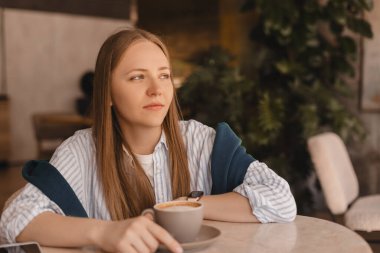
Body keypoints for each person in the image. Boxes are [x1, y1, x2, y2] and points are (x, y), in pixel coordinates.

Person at [0, 28, 296, 253]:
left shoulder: (201, 140)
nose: (157, 90)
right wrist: (104, 233)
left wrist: (185, 205)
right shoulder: (82, 151)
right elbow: (15, 219)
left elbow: (280, 200)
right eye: (138, 77)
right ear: (108, 94)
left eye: (164, 76)